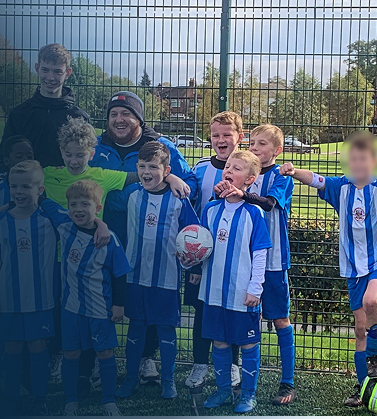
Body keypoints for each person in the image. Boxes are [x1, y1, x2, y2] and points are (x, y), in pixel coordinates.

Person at [90, 91, 195, 385]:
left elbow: (190, 183)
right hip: (105, 231)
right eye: (114, 114)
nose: (119, 120)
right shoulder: (96, 147)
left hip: (151, 233)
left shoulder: (161, 147)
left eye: (126, 114)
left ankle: (147, 358)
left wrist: (175, 179)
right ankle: (101, 357)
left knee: (149, 292)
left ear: (138, 119)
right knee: (102, 295)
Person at [279, 131, 377, 408]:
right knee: (361, 330)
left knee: (373, 302)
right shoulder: (340, 187)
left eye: (364, 159)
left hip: (376, 264)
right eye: (353, 159)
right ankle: (365, 388)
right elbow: (315, 179)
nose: (359, 165)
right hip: (353, 269)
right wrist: (293, 170)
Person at [105, 141, 199, 400]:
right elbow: (105, 202)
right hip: (135, 275)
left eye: (154, 167)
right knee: (136, 326)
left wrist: (195, 265)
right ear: (137, 167)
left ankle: (169, 381)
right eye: (142, 166)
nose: (147, 172)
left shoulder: (179, 198)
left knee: (166, 329)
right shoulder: (132, 193)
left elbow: (195, 233)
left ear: (166, 170)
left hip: (166, 277)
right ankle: (131, 378)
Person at [180, 150, 272, 413]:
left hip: (242, 294)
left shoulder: (254, 213)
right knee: (219, 342)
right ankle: (222, 391)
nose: (229, 170)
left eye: (237, 168)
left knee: (247, 343)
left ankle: (248, 394)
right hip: (212, 292)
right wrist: (189, 260)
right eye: (228, 166)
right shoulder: (210, 209)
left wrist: (256, 288)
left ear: (250, 180)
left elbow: (261, 253)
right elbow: (201, 247)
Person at [214, 124, 296, 405]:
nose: (256, 148)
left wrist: (240, 193)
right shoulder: (245, 172)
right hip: (241, 264)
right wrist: (224, 192)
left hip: (272, 261)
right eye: (253, 142)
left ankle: (288, 382)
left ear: (277, 150)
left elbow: (270, 204)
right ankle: (235, 382)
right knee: (238, 319)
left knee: (280, 319)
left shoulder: (281, 176)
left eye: (263, 144)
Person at [38, 180, 130, 416]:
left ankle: (108, 400)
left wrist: (119, 305)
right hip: (70, 308)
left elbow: (120, 274)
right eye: (73, 204)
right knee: (71, 353)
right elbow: (41, 200)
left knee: (105, 353)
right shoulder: (64, 224)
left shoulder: (109, 239)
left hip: (100, 309)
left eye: (85, 204)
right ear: (67, 207)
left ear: (97, 208)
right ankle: (71, 401)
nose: (78, 209)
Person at [184, 111, 244, 388]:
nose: (221, 140)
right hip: (202, 256)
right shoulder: (199, 168)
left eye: (226, 135)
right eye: (215, 135)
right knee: (202, 311)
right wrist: (194, 262)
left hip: (233, 257)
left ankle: (233, 365)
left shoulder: (245, 167)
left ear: (239, 137)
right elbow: (191, 211)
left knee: (230, 311)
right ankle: (199, 365)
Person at [0, 160, 59, 416]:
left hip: (40, 299)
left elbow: (82, 222)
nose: (19, 192)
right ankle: (10, 397)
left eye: (26, 186)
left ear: (40, 189)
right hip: (9, 299)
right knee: (11, 347)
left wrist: (101, 225)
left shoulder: (50, 219)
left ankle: (39, 397)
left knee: (38, 346)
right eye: (14, 186)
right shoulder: (2, 220)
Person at [2, 43, 89, 168]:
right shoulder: (18, 114)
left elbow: (86, 160)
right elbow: (4, 157)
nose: (50, 77)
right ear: (37, 68)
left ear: (68, 73)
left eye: (57, 72)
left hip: (63, 186)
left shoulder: (79, 118)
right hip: (25, 185)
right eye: (45, 70)